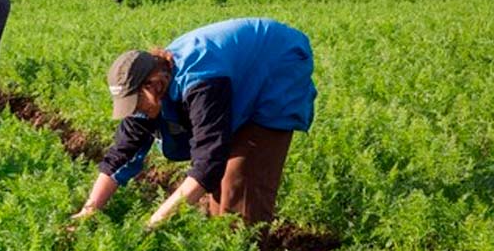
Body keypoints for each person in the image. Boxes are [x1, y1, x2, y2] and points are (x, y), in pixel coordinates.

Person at [73, 18, 317, 229]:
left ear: (153, 86)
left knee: (240, 183)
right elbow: (121, 154)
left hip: (277, 66)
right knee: (220, 185)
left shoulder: (201, 83)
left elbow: (208, 162)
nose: (135, 112)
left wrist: (154, 224)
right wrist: (89, 210)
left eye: (136, 104)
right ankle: (220, 245)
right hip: (237, 75)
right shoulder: (154, 89)